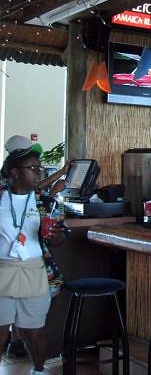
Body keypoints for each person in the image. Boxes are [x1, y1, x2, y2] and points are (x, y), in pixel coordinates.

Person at [0, 135, 66, 375]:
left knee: (34, 330)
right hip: (3, 270)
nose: (39, 173)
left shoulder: (45, 202)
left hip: (35, 271)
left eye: (40, 169)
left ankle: (39, 370)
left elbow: (59, 239)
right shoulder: (1, 197)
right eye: (33, 168)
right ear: (15, 173)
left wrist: (55, 235)